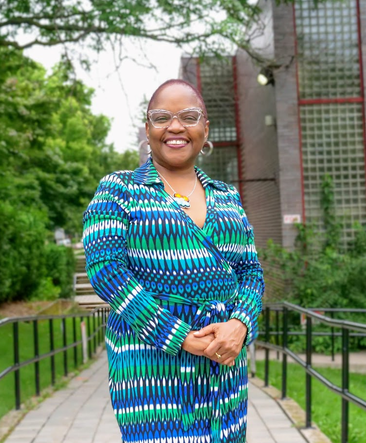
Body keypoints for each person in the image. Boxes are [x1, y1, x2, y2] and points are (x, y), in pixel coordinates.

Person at [82, 79, 264, 443]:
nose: (176, 126)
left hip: (222, 366)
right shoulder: (120, 189)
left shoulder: (226, 196)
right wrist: (180, 336)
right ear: (147, 129)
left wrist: (239, 325)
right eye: (162, 117)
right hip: (151, 366)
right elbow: (106, 270)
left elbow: (250, 272)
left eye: (189, 116)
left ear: (205, 128)